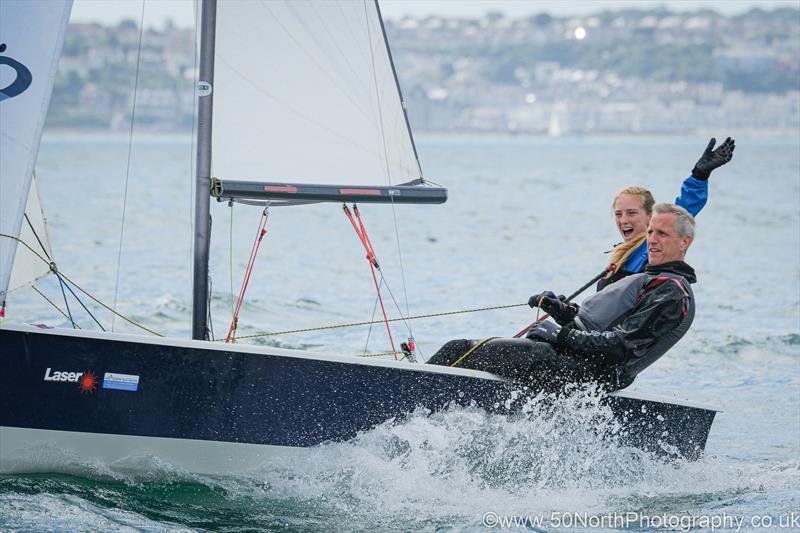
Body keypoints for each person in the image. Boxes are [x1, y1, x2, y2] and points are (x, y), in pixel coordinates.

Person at [427, 203, 697, 392]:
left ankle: (405, 398)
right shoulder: (654, 281)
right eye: (650, 232)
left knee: (460, 350)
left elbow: (622, 346)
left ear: (684, 242)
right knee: (462, 350)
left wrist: (560, 335)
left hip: (584, 373)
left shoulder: (671, 292)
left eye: (662, 233)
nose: (652, 240)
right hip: (573, 361)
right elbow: (598, 329)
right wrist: (563, 312)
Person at [598, 137, 734, 290]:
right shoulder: (621, 254)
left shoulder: (650, 250)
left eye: (631, 213)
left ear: (651, 217)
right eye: (618, 214)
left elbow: (683, 209)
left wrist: (699, 175)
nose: (623, 220)